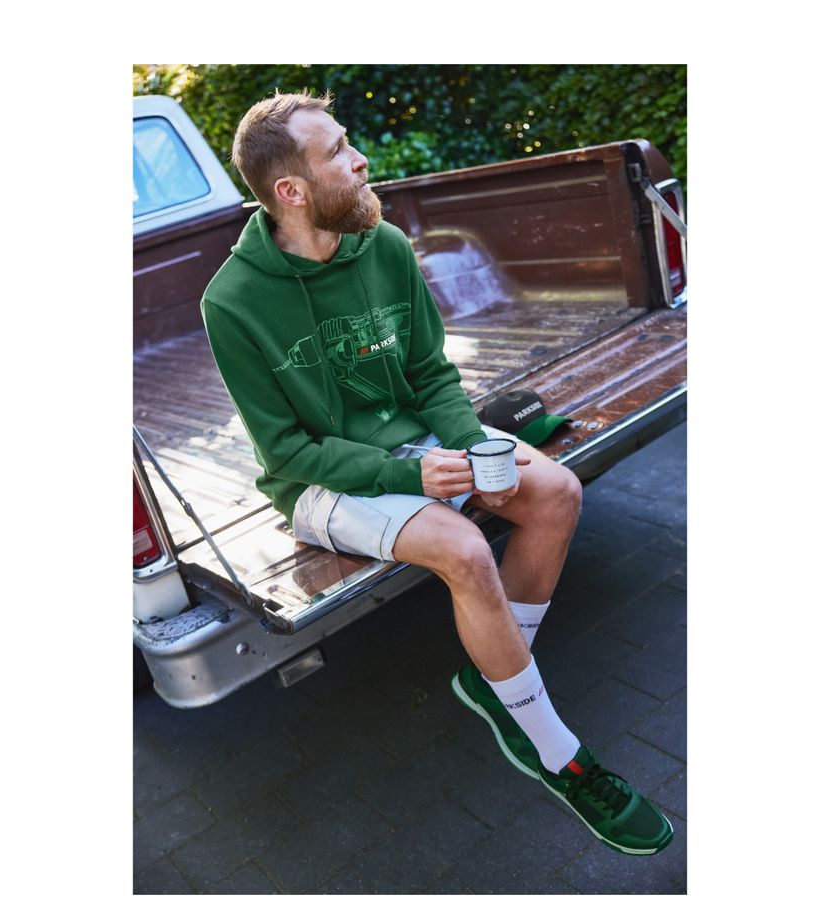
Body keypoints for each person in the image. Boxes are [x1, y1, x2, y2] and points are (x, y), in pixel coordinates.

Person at [201, 90, 672, 856]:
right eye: (339, 152)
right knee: (465, 548)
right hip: (320, 479)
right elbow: (285, 450)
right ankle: (557, 753)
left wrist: (473, 449)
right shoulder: (232, 301)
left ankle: (496, 679)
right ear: (292, 190)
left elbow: (428, 372)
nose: (362, 162)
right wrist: (414, 478)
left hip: (417, 438)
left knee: (555, 491)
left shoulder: (383, 245)